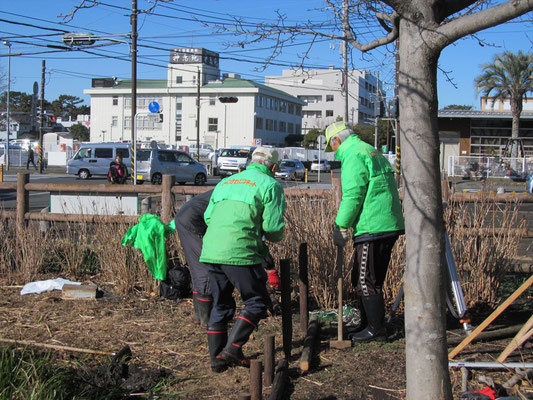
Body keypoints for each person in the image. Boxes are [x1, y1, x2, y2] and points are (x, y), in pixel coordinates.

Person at [200, 147, 286, 372]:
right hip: (239, 251)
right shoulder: (270, 185)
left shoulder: (226, 182)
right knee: (257, 302)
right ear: (273, 167)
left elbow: (208, 216)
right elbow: (273, 229)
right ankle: (233, 349)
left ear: (251, 162)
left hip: (211, 250)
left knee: (221, 303)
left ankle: (217, 360)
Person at [325, 121, 404, 344]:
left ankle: (376, 330)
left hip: (373, 225)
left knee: (365, 280)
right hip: (387, 222)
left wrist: (341, 225)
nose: (334, 151)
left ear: (336, 140)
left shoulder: (352, 154)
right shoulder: (370, 149)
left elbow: (353, 194)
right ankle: (366, 324)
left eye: (332, 146)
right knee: (367, 278)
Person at [174, 190, 282, 329]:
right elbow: (257, 241)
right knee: (203, 269)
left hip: (192, 216)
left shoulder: (241, 193)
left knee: (199, 267)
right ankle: (206, 321)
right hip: (192, 220)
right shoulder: (250, 202)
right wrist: (270, 267)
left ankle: (200, 317)